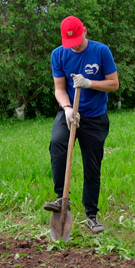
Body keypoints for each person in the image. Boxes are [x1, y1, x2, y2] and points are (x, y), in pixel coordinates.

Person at [43, 16, 119, 233]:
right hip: (69, 112)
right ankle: (61, 198)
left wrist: (89, 83)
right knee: (57, 144)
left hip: (95, 117)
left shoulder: (101, 51)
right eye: (70, 42)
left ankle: (91, 214)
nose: (74, 45)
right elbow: (59, 88)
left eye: (77, 39)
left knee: (92, 165)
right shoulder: (58, 54)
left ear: (84, 31)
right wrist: (67, 109)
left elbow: (114, 84)